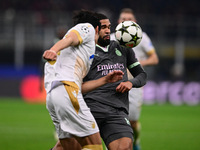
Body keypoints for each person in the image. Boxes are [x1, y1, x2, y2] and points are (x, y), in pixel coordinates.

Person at [54, 12, 147, 150]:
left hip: (116, 112)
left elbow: (141, 75)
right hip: (88, 110)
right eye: (103, 27)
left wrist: (130, 83)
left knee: (124, 147)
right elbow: (77, 86)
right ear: (95, 29)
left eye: (109, 26)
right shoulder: (82, 52)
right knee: (66, 148)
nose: (108, 30)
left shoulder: (123, 48)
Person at [43, 9, 124, 150]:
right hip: (67, 91)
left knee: (70, 148)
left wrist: (105, 80)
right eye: (103, 28)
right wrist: (53, 50)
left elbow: (79, 86)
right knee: (95, 146)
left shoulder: (75, 54)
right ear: (97, 28)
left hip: (54, 96)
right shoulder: (87, 28)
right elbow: (71, 39)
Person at [110, 8, 159, 150]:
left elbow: (154, 58)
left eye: (129, 19)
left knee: (133, 122)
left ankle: (136, 142)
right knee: (113, 121)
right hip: (114, 84)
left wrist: (135, 65)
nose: (126, 21)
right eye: (123, 19)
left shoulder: (142, 37)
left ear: (135, 22)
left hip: (133, 85)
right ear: (119, 21)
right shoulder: (111, 38)